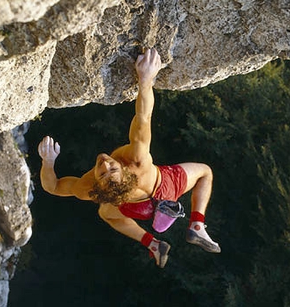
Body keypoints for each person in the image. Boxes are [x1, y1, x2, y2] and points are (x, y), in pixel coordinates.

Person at [38, 48, 221, 268]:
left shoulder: (89, 188)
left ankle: (153, 243)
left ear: (99, 187)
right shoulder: (137, 160)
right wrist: (146, 79)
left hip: (138, 209)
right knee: (205, 172)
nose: (105, 163)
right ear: (124, 171)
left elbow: (53, 186)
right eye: (111, 170)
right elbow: (143, 117)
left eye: (103, 173)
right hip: (166, 187)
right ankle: (197, 226)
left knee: (107, 214)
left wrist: (48, 163)